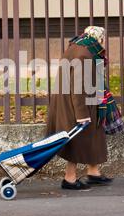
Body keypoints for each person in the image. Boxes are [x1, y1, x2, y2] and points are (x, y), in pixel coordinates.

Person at [46, 26, 114, 190]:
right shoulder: (84, 55)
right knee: (76, 140)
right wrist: (81, 114)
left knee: (94, 134)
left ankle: (93, 172)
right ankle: (69, 179)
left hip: (80, 101)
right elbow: (78, 87)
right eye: (103, 40)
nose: (103, 43)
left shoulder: (78, 47)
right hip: (75, 104)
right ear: (99, 38)